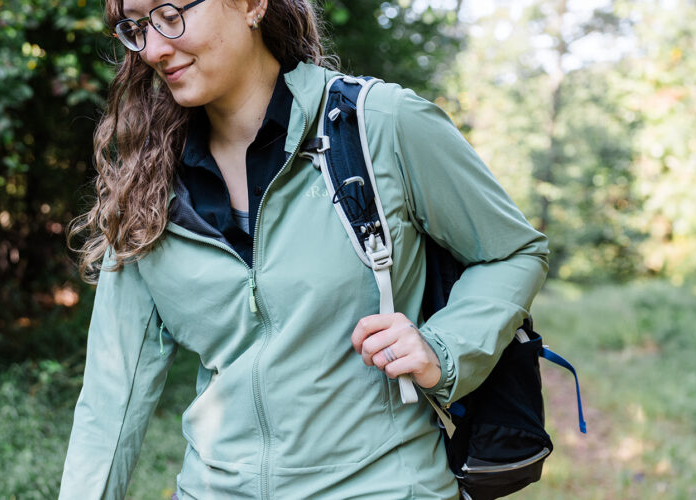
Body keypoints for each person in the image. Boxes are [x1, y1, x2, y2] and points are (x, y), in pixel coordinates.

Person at [61, 0, 548, 498]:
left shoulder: (380, 125)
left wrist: (444, 348)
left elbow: (511, 251)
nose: (153, 49)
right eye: (137, 27)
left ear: (250, 6)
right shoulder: (146, 185)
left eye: (170, 14)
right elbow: (111, 397)